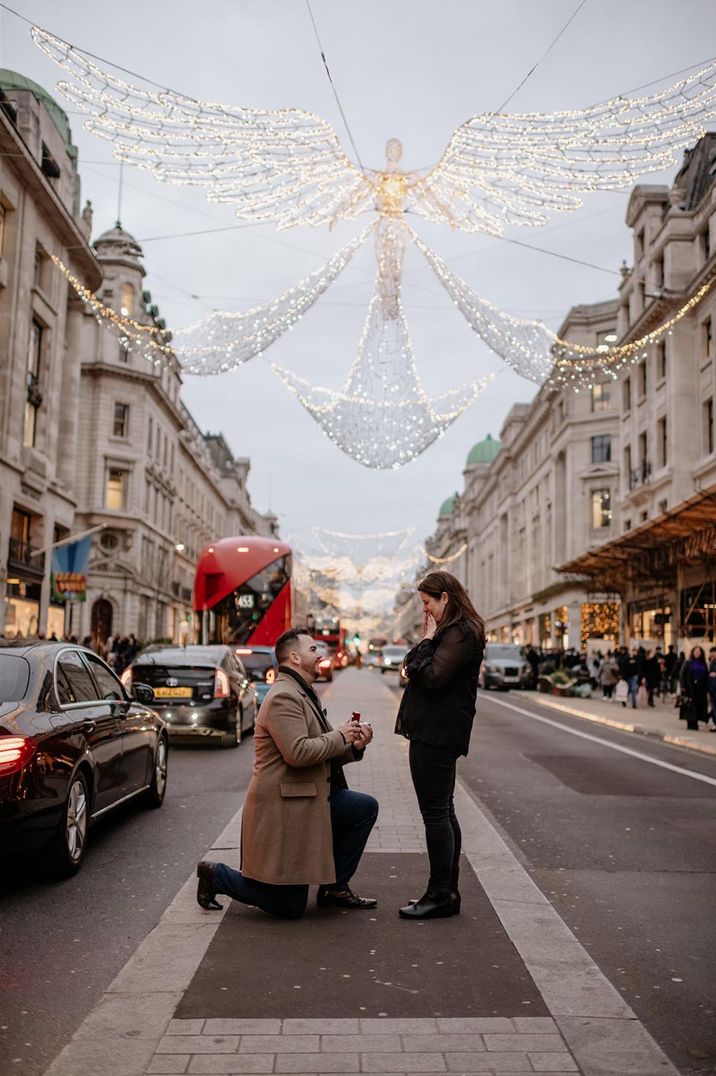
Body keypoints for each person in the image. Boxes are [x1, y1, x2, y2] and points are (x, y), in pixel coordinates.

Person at [196, 627, 378, 918]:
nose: (320, 655)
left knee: (363, 808)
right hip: (284, 807)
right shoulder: (284, 697)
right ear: (294, 658)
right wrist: (341, 736)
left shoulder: (303, 693)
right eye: (313, 650)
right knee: (290, 906)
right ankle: (217, 875)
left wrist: (353, 744)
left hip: (309, 796)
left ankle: (334, 888)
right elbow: (299, 753)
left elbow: (323, 748)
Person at [394, 571, 484, 920]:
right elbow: (408, 668)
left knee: (436, 814)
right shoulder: (453, 632)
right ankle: (447, 891)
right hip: (436, 731)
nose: (426, 611)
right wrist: (428, 642)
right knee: (443, 811)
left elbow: (428, 676)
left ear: (445, 598)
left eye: (428, 603)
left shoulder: (459, 633)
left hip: (437, 733)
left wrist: (429, 640)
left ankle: (439, 893)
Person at [678, 645, 709, 731]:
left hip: (700, 688)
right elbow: (682, 674)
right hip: (689, 688)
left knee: (698, 705)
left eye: (699, 651)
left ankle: (695, 722)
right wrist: (683, 686)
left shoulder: (703, 663)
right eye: (695, 651)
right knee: (690, 705)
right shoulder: (688, 662)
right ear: (692, 652)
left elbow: (706, 675)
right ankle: (690, 723)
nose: (697, 653)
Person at [708, 647, 716, 731]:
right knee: (713, 707)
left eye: (714, 652)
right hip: (712, 688)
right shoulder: (712, 661)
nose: (712, 654)